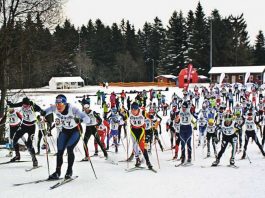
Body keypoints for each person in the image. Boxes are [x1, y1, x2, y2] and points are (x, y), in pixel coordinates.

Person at [42, 94, 91, 179]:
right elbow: (44, 112)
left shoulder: (73, 109)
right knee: (60, 151)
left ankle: (69, 171)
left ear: (64, 104)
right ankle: (57, 172)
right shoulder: (54, 108)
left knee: (69, 148)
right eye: (56, 104)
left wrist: (80, 120)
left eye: (60, 104)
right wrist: (39, 110)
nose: (58, 107)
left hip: (75, 131)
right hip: (64, 130)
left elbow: (88, 119)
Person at [7, 97, 43, 167]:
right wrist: (10, 104)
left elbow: (41, 111)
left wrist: (41, 113)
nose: (24, 107)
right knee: (14, 140)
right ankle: (17, 156)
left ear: (29, 104)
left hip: (31, 127)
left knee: (29, 144)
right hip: (23, 126)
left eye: (26, 106)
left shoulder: (33, 106)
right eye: (23, 106)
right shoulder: (23, 104)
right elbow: (14, 105)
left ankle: (34, 159)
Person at [129, 102, 153, 169]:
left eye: (135, 109)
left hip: (140, 130)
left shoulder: (142, 112)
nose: (133, 111)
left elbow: (148, 115)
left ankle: (148, 162)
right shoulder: (129, 112)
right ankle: (137, 160)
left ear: (137, 109)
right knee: (134, 145)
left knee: (142, 146)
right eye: (132, 109)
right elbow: (124, 117)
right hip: (133, 130)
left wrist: (151, 116)